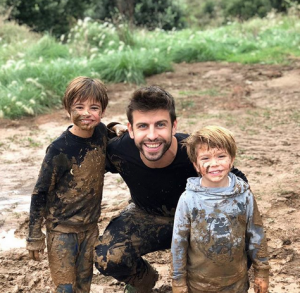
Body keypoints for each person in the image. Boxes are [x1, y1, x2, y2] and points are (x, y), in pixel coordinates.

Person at [95, 86, 249, 293]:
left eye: (160, 125)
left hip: (196, 220)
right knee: (107, 256)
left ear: (173, 126)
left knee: (234, 238)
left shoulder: (194, 152)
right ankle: (143, 281)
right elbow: (83, 159)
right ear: (130, 129)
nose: (152, 136)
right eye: (142, 126)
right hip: (145, 215)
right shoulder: (119, 151)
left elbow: (238, 181)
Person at [26, 76, 110, 293]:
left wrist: (117, 127)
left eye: (94, 107)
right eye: (79, 106)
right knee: (65, 288)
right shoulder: (59, 149)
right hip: (62, 231)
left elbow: (110, 131)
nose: (86, 113)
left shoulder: (101, 134)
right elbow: (40, 193)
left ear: (102, 111)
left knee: (84, 284)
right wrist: (35, 236)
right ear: (67, 109)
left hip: (90, 228)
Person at [171, 125, 270, 293]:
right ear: (196, 165)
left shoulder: (244, 195)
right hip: (198, 285)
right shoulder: (188, 199)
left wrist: (262, 272)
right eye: (205, 158)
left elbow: (256, 234)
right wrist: (178, 280)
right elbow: (178, 242)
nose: (214, 164)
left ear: (231, 159)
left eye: (221, 156)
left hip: (236, 283)